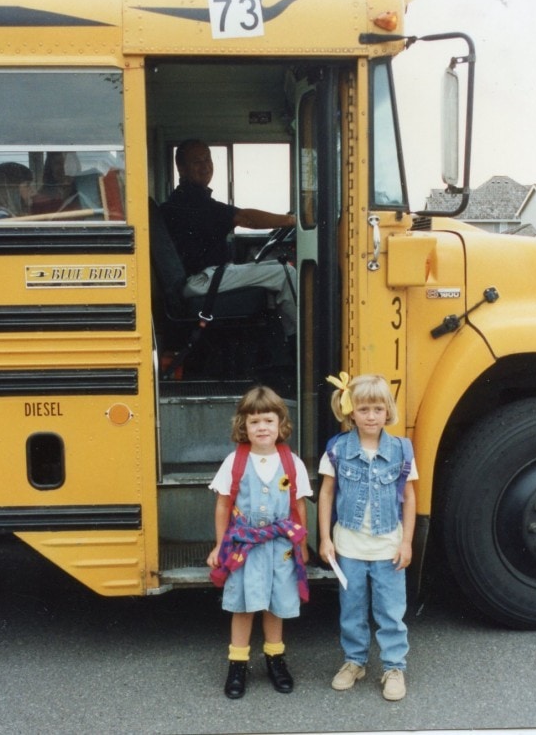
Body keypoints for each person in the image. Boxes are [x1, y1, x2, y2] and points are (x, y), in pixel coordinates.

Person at [318, 372, 417, 702]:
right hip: (348, 546)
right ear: (350, 412)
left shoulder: (401, 450)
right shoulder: (337, 449)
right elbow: (327, 494)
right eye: (363, 410)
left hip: (389, 546)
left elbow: (410, 497)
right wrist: (325, 539)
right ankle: (355, 661)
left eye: (377, 408)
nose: (371, 416)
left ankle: (393, 666)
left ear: (387, 410)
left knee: (390, 611)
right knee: (352, 608)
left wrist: (407, 543)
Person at [207, 386, 311, 699]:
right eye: (254, 422)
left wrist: (303, 545)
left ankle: (275, 659)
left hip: (281, 547)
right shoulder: (234, 462)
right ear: (244, 426)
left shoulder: (292, 463)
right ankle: (237, 663)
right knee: (243, 604)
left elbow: (299, 506)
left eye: (268, 420)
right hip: (244, 547)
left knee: (276, 602)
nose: (262, 427)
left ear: (281, 424)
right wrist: (219, 545)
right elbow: (224, 505)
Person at [160, 139, 297, 342]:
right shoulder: (190, 202)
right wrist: (291, 220)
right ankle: (302, 345)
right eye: (197, 161)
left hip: (207, 276)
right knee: (285, 272)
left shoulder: (192, 198)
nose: (205, 166)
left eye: (207, 159)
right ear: (181, 168)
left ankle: (274, 343)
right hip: (201, 280)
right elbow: (245, 218)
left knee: (275, 269)